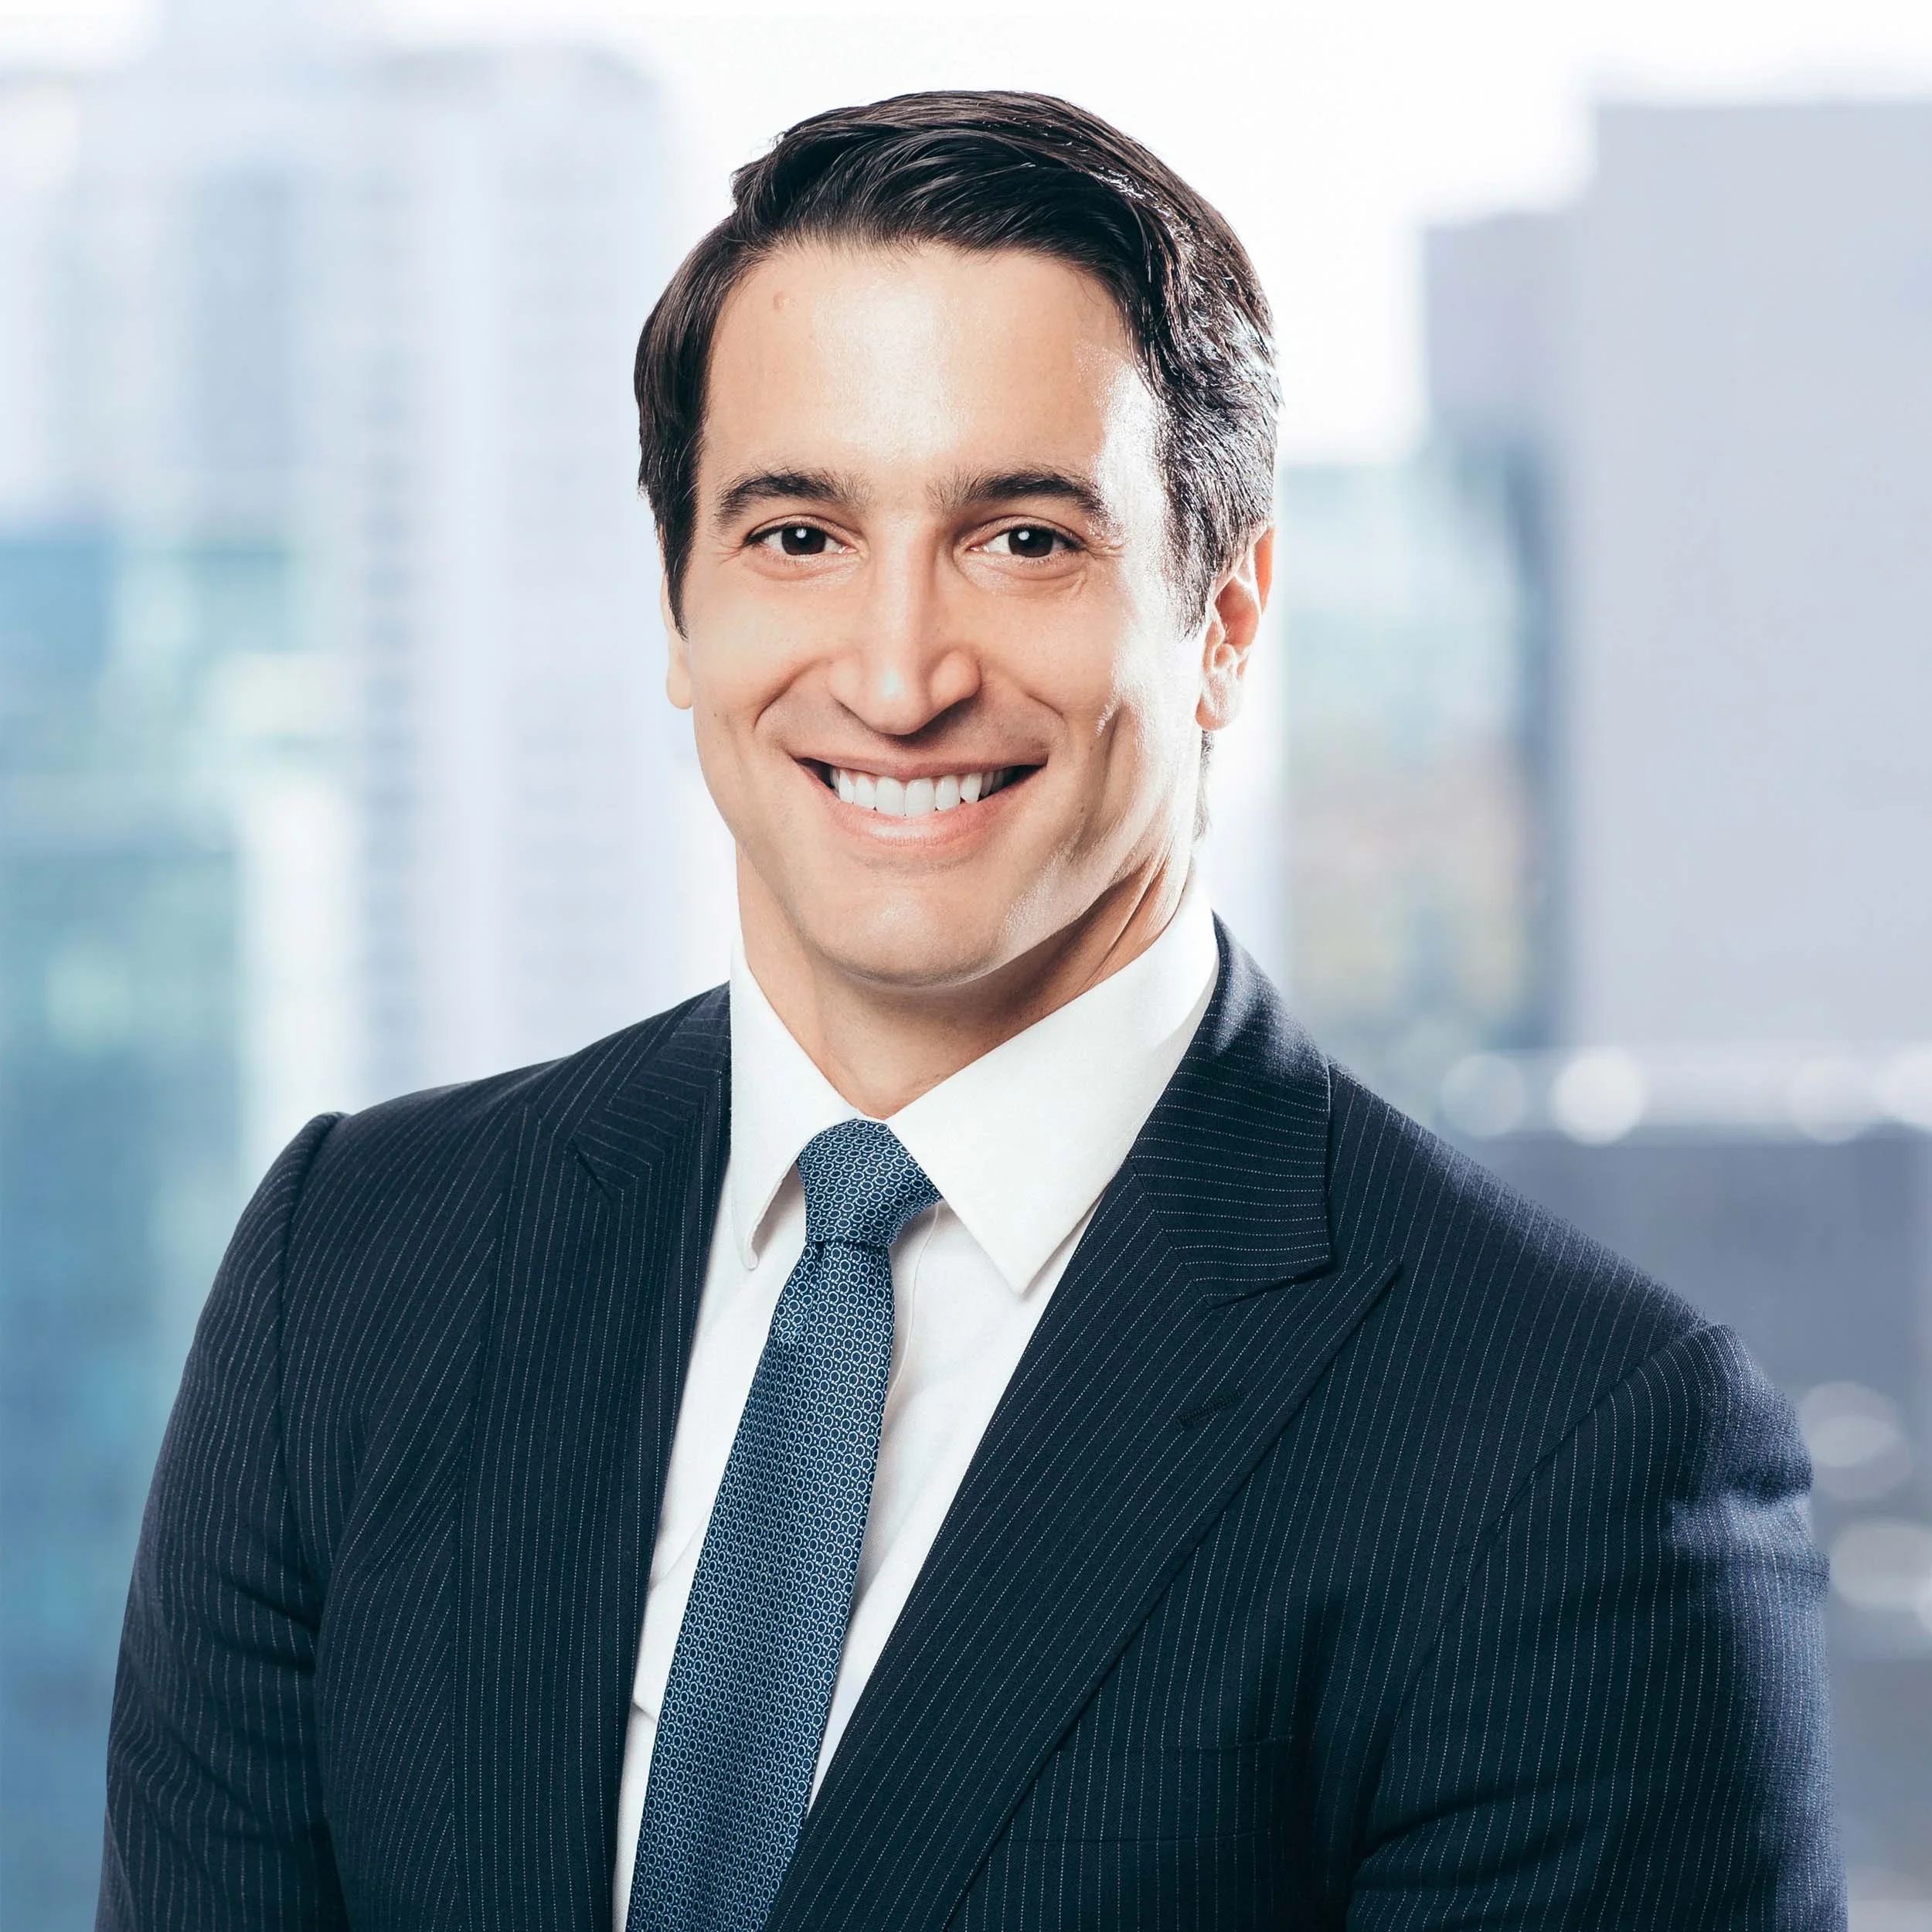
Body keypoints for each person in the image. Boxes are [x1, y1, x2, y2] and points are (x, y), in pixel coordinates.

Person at [99, 90, 1840, 1932]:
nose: (899, 670)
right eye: (796, 534)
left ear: (1226, 616)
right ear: (678, 607)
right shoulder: (355, 1270)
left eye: (1021, 538)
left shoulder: (1564, 1448)